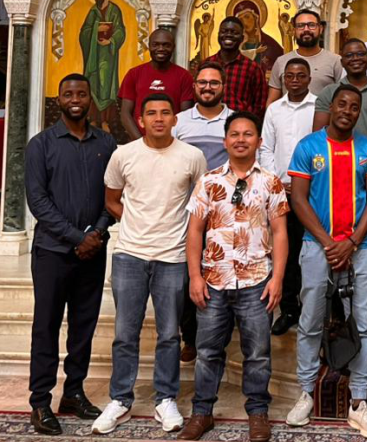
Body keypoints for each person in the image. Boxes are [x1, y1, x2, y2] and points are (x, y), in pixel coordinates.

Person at [92, 93, 208, 435]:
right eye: (151, 113)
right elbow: (111, 200)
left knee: (170, 333)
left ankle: (165, 399)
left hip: (172, 257)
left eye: (165, 113)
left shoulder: (192, 156)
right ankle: (120, 399)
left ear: (176, 119)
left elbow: (199, 203)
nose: (158, 118)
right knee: (125, 333)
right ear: (141, 119)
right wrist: (136, 222)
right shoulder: (123, 155)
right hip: (130, 254)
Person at [179, 112, 290, 442]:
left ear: (258, 141)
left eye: (248, 134)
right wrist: (195, 277)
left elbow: (281, 233)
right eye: (235, 134)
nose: (241, 139)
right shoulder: (209, 181)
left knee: (257, 354)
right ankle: (202, 413)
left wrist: (278, 278)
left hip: (256, 281)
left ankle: (257, 413)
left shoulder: (270, 182)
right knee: (208, 351)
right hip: (214, 281)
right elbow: (194, 232)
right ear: (225, 140)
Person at [284, 84, 367, 439]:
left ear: (359, 111)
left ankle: (359, 402)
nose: (347, 110)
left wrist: (353, 241)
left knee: (363, 321)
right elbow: (298, 199)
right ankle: (306, 392)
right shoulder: (308, 146)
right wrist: (330, 243)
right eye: (342, 104)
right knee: (311, 320)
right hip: (316, 245)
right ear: (332, 107)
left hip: (362, 248)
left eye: (354, 106)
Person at [25, 73, 116, 435]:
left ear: (91, 99)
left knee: (83, 327)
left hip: (92, 252)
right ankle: (40, 401)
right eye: (68, 94)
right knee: (46, 326)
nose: (75, 98)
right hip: (52, 251)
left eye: (81, 93)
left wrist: (96, 233)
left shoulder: (106, 143)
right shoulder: (41, 144)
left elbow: (113, 197)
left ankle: (73, 392)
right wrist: (77, 236)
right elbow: (38, 201)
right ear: (59, 99)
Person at [173, 61, 233, 361]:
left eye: (214, 83)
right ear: (194, 86)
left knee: (223, 274)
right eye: (202, 83)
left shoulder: (235, 121)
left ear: (224, 87)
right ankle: (191, 339)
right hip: (187, 211)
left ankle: (221, 338)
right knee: (189, 274)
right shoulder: (179, 121)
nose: (208, 87)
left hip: (226, 214)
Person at [260, 58, 317, 335]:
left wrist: (304, 183)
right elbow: (266, 149)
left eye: (300, 75)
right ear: (283, 79)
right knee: (287, 251)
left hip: (313, 192)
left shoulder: (320, 106)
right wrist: (277, 183)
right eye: (289, 76)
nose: (295, 80)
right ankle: (289, 309)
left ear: (309, 78)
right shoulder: (273, 110)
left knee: (311, 251)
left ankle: (313, 309)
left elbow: (321, 146)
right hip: (280, 191)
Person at [313, 38, 367, 139]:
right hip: (335, 154)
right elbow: (318, 137)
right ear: (342, 62)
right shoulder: (329, 92)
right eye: (349, 55)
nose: (356, 58)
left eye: (361, 54)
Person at [118, 28, 194, 140]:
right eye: (156, 44)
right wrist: (142, 143)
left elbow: (184, 116)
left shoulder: (184, 76)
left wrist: (169, 143)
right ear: (149, 46)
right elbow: (125, 113)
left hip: (172, 143)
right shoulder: (134, 74)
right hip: (139, 143)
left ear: (173, 47)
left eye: (166, 45)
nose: (161, 49)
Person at [266, 9, 343, 105]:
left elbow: (343, 98)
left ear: (321, 29)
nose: (306, 29)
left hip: (322, 119)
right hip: (289, 119)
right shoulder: (281, 61)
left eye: (311, 25)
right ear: (294, 30)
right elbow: (272, 101)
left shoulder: (335, 61)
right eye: (300, 26)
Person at [80, 0, 126, 128]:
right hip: (93, 55)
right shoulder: (93, 11)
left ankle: (105, 121)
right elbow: (84, 32)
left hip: (108, 55)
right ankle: (93, 119)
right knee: (93, 84)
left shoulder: (114, 10)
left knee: (105, 85)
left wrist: (111, 40)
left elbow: (120, 30)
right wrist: (95, 29)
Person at [207, 17, 267, 117]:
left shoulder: (252, 68)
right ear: (218, 35)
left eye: (234, 32)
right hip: (209, 122)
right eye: (224, 31)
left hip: (240, 126)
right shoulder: (207, 64)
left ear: (242, 38)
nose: (228, 35)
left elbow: (260, 104)